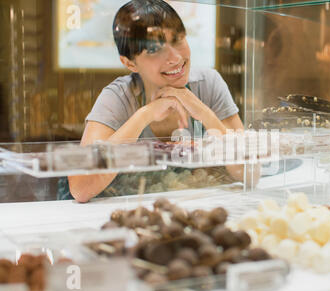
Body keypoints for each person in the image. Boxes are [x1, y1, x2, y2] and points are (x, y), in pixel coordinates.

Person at [68, 0, 255, 203]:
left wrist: (203, 112)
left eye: (177, 40)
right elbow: (80, 188)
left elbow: (250, 174)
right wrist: (144, 115)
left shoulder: (208, 84)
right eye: (154, 50)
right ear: (129, 62)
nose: (175, 58)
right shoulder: (117, 97)